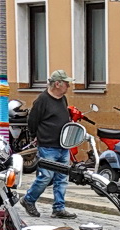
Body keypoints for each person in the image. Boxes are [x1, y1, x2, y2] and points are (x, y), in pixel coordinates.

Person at [20, 70, 77, 219]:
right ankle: (28, 199)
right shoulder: (42, 100)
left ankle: (59, 208)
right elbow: (32, 121)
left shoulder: (63, 99)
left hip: (63, 145)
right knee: (45, 176)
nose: (69, 86)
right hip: (48, 145)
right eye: (66, 83)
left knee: (62, 178)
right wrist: (34, 136)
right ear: (57, 84)